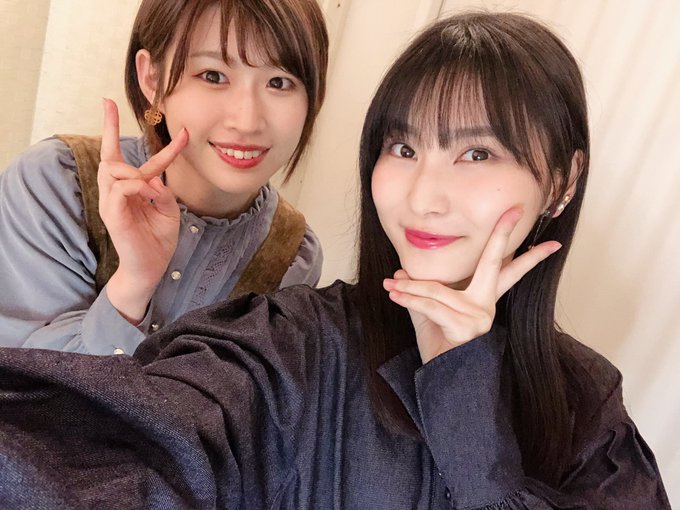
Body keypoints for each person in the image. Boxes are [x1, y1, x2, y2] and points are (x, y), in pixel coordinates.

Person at [0, 12, 670, 509]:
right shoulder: (288, 342)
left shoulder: (588, 403)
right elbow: (133, 441)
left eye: (477, 153)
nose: (422, 197)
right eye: (403, 149)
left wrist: (465, 398)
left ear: (562, 182)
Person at [0, 0, 328, 355]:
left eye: (279, 82)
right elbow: (24, 375)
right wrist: (133, 284)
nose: (247, 121)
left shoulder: (293, 257)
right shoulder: (56, 187)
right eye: (213, 76)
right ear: (152, 79)